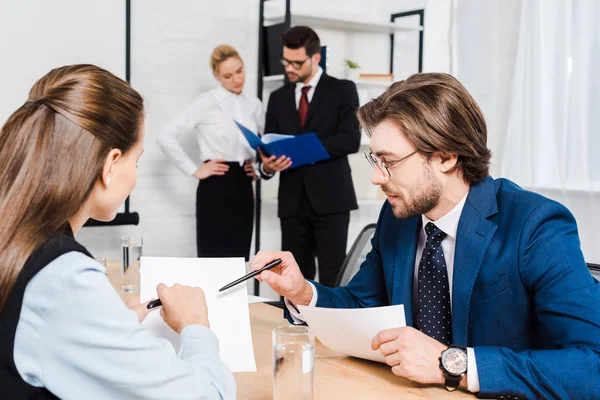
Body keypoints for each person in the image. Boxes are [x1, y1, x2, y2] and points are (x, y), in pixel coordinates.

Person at [250, 73, 600, 399]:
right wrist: (303, 291)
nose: (375, 178)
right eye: (375, 159)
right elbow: (361, 305)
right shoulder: (399, 216)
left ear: (446, 156)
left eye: (388, 161)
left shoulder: (535, 225)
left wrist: (453, 364)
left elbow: (592, 364)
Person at [0, 65, 236, 399]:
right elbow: (210, 395)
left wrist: (106, 323)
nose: (135, 175)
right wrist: (196, 326)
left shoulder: (18, 242)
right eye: (136, 161)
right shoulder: (64, 277)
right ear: (110, 164)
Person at [260, 26, 361, 287]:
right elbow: (270, 144)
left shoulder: (343, 89)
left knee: (332, 277)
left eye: (296, 62)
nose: (289, 68)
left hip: (332, 201)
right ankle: (293, 328)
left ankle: (332, 329)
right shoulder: (277, 97)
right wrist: (268, 165)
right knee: (292, 279)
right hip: (292, 203)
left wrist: (306, 150)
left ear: (315, 58)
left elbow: (350, 139)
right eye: (286, 61)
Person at [158, 44, 262, 259]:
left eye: (239, 71)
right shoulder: (207, 103)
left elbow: (261, 145)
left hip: (244, 184)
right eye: (227, 75)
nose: (236, 79)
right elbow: (165, 136)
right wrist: (194, 170)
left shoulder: (255, 104)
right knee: (212, 258)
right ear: (217, 76)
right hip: (216, 185)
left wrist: (257, 169)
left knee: (239, 257)